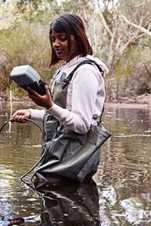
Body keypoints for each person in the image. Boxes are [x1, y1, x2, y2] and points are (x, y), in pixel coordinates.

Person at [11, 13, 110, 185]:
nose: (56, 44)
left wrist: (49, 105)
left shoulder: (85, 72)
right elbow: (61, 118)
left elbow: (82, 125)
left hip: (74, 159)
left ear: (77, 37)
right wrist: (31, 113)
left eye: (62, 38)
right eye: (53, 39)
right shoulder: (65, 69)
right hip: (60, 154)